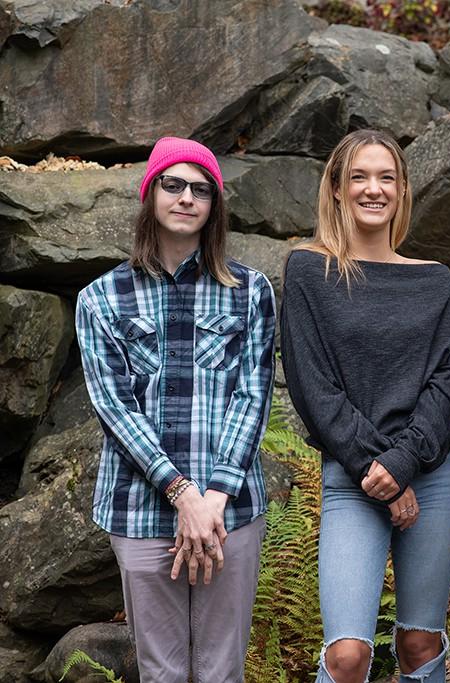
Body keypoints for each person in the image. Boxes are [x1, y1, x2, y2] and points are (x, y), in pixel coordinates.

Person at [76, 137, 275, 682]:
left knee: (221, 669)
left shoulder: (250, 292)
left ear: (214, 207)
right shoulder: (101, 298)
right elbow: (114, 407)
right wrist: (181, 493)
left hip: (229, 511)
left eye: (201, 190)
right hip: (139, 511)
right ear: (151, 194)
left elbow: (253, 396)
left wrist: (211, 498)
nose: (187, 197)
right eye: (174, 184)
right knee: (160, 669)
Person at [280, 129, 450, 683]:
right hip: (352, 475)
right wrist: (377, 470)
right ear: (336, 188)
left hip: (431, 476)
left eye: (386, 177)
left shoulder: (435, 281)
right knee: (347, 657)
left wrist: (403, 464)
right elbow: (314, 389)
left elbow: (448, 384)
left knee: (419, 642)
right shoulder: (309, 272)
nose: (373, 189)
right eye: (359, 176)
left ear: (403, 190)